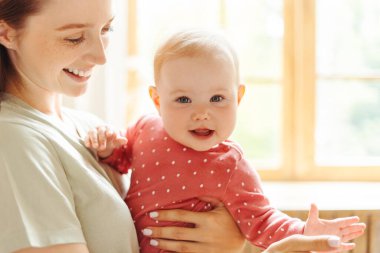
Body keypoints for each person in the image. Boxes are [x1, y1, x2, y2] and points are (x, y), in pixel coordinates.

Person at [0, 0, 364, 252]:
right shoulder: (14, 139)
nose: (102, 55)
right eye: (74, 37)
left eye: (107, 29)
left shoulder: (88, 129)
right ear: (7, 33)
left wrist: (229, 243)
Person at [85, 30, 365, 252]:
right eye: (183, 100)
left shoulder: (230, 163)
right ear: (157, 100)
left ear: (238, 98)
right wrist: (108, 148)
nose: (201, 113)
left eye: (217, 99)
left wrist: (304, 231)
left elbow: (263, 221)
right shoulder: (145, 128)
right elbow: (121, 160)